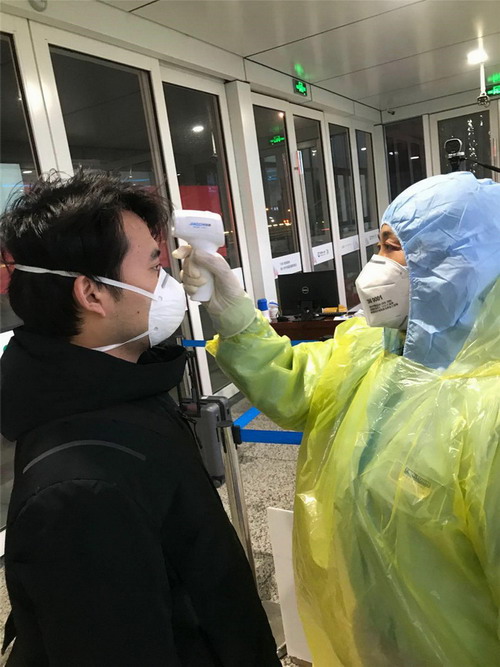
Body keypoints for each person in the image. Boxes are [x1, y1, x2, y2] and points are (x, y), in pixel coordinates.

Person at [174, 171, 500, 666]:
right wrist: (235, 313)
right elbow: (295, 385)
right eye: (379, 244)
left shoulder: (488, 410)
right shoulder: (373, 348)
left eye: (392, 247)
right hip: (372, 637)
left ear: (458, 263)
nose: (375, 264)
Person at [0, 171, 280, 667]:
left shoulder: (121, 388)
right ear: (92, 294)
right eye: (154, 266)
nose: (168, 282)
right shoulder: (78, 492)